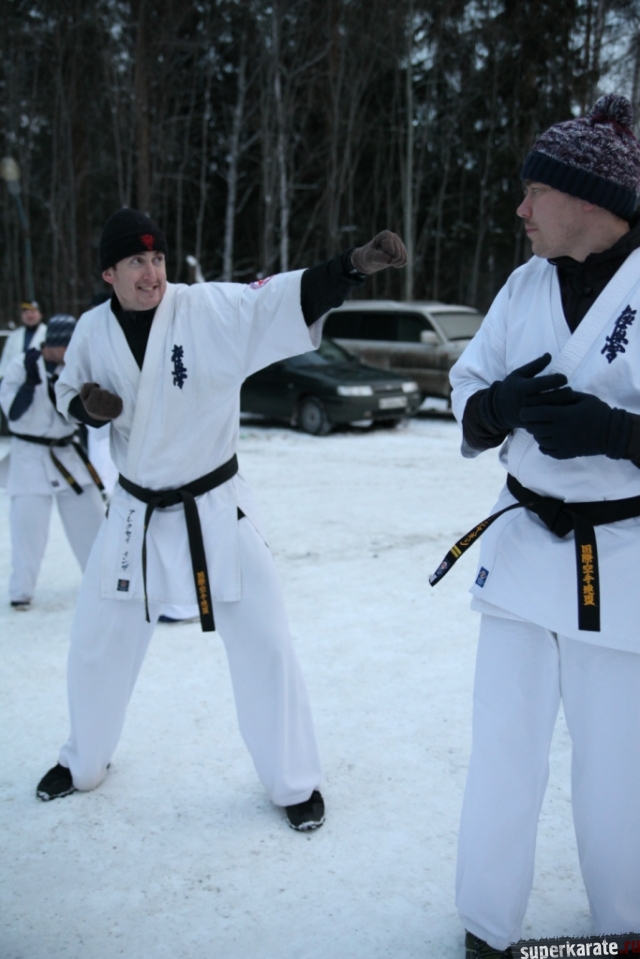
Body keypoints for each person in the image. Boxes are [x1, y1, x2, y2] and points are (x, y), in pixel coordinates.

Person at [35, 208, 407, 831]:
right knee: (96, 641)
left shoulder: (206, 309)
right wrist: (88, 408)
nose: (152, 273)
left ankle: (294, 781)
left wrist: (350, 267)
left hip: (213, 506)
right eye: (136, 261)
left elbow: (277, 301)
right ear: (109, 273)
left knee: (265, 640)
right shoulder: (93, 330)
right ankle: (83, 763)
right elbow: (67, 391)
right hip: (134, 512)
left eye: (157, 259)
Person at [435, 94, 640, 957]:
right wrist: (496, 407)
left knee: (617, 768)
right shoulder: (525, 285)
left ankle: (627, 924)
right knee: (503, 749)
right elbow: (464, 385)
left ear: (586, 198)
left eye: (533, 192)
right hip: (522, 546)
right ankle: (487, 923)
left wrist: (618, 435)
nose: (520, 209)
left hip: (621, 561)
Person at [0, 315, 105, 610]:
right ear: (53, 344)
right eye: (66, 345)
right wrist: (29, 385)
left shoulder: (76, 368)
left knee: (92, 520)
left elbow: (80, 416)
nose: (71, 351)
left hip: (66, 453)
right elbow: (12, 414)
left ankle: (100, 582)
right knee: (28, 529)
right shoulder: (20, 366)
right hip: (29, 457)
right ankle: (21, 591)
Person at [0, 300, 47, 380]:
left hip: (40, 380)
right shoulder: (13, 336)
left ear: (40, 314)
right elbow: (5, 361)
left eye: (32, 312)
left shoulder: (47, 334)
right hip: (14, 380)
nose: (29, 315)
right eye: (26, 312)